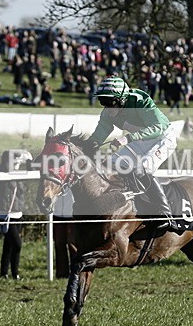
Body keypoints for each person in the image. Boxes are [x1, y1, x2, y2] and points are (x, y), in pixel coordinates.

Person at [90, 76, 185, 237]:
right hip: (140, 139)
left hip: (162, 137)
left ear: (122, 99)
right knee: (111, 163)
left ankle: (165, 214)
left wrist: (127, 138)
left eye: (110, 101)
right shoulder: (108, 112)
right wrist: (88, 146)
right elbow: (99, 133)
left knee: (143, 168)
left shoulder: (140, 101)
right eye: (102, 101)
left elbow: (157, 127)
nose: (107, 107)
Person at [0, 150, 31, 280]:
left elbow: (31, 171)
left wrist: (27, 160)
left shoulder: (20, 174)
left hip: (17, 213)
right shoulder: (0, 173)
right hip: (4, 213)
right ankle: (14, 273)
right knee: (17, 244)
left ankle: (5, 273)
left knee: (8, 245)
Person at [52, 188, 77, 278]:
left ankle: (76, 271)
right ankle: (62, 273)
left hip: (72, 215)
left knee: (72, 244)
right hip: (57, 214)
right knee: (59, 243)